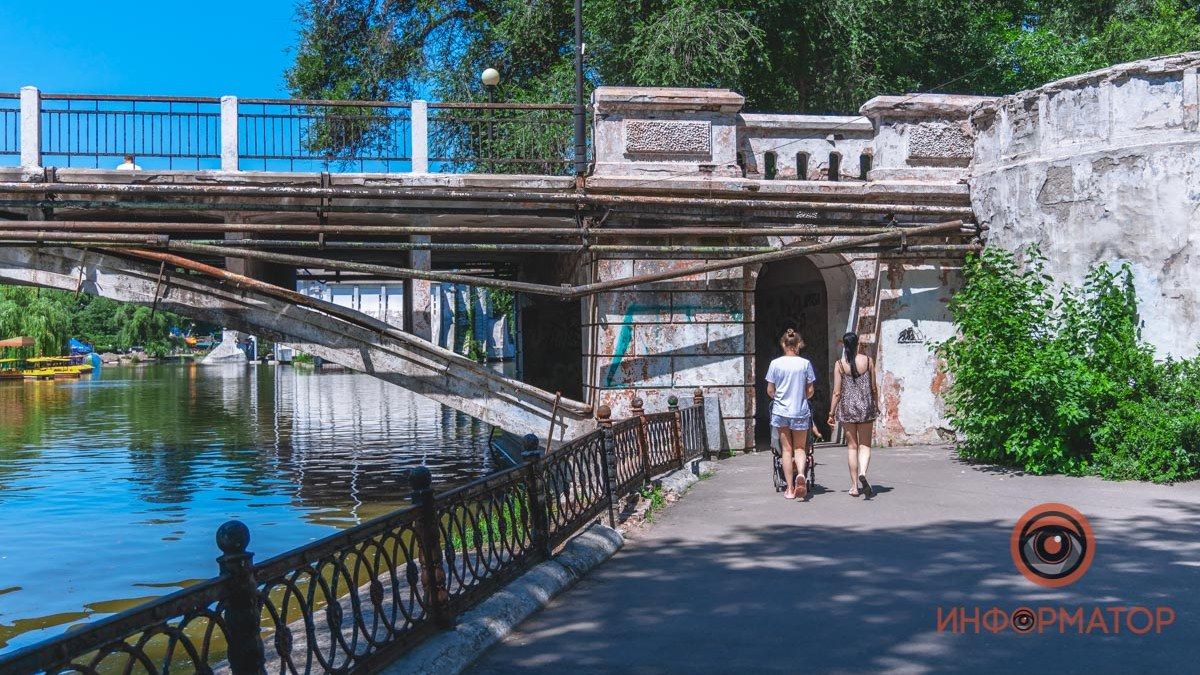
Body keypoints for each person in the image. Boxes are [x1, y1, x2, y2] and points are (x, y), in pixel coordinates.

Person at [765, 328, 816, 500]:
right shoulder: (805, 364)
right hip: (800, 410)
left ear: (783, 344)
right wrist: (800, 395)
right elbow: (810, 391)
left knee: (786, 450)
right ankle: (801, 473)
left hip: (781, 411)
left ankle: (790, 488)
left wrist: (779, 395)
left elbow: (770, 390)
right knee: (800, 448)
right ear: (799, 344)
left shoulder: (775, 364)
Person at [827, 332, 878, 498]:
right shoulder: (868, 361)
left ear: (844, 345)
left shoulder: (840, 365)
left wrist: (831, 413)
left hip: (848, 410)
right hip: (866, 409)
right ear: (858, 344)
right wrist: (875, 404)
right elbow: (874, 388)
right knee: (865, 446)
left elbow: (836, 392)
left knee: (852, 447)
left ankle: (855, 486)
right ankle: (863, 472)